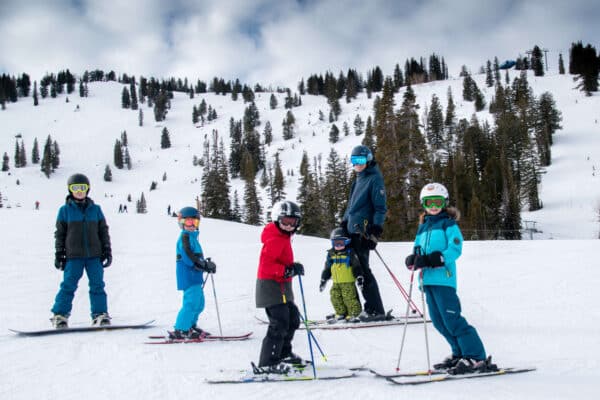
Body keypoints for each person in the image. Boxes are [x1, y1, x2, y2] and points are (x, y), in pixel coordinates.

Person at [404, 182, 497, 375]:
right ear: (423, 204)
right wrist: (413, 259)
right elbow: (417, 249)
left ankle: (475, 357)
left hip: (444, 280)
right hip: (427, 281)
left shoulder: (449, 224)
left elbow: (455, 248)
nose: (433, 205)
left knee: (452, 320)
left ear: (444, 202)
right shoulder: (423, 227)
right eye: (429, 202)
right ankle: (459, 353)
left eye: (437, 201)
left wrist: (438, 258)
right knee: (439, 322)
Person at [50, 173, 112, 328]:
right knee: (68, 285)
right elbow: (60, 234)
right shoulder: (64, 211)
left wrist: (106, 249)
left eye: (82, 188)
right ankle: (60, 315)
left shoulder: (96, 210)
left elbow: (103, 231)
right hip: (73, 256)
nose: (79, 191)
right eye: (75, 188)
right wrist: (59, 253)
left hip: (94, 256)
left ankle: (100, 314)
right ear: (70, 190)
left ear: (87, 189)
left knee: (97, 285)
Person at [255, 200, 304, 374]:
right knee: (279, 323)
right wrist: (287, 270)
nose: (289, 226)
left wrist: (291, 267)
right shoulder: (275, 239)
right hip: (271, 287)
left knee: (292, 319)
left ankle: (283, 353)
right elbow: (267, 265)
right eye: (285, 222)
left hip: (281, 287)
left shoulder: (283, 237)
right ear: (277, 220)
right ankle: (268, 362)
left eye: (293, 222)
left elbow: (280, 262)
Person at [340, 145, 388, 321]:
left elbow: (380, 208)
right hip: (352, 230)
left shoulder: (374, 179)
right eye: (354, 161)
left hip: (363, 232)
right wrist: (344, 223)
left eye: (360, 161)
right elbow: (351, 207)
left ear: (368, 160)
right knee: (352, 269)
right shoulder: (358, 180)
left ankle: (376, 309)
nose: (357, 165)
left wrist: (375, 231)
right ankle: (357, 308)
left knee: (364, 271)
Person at [169, 206, 216, 339]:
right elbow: (189, 256)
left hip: (195, 276)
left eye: (195, 222)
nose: (192, 225)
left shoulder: (192, 237)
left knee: (199, 303)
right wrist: (203, 264)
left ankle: (190, 324)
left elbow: (196, 257)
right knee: (191, 303)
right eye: (189, 222)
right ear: (182, 222)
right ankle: (181, 329)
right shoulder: (185, 237)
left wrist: (206, 266)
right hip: (188, 276)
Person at [319, 228, 364, 322]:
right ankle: (341, 313)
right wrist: (323, 279)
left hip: (348, 281)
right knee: (334, 296)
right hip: (336, 282)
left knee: (349, 298)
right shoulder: (331, 254)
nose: (338, 245)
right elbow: (327, 268)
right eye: (336, 243)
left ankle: (354, 313)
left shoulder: (350, 253)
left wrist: (359, 277)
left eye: (341, 243)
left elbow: (356, 266)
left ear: (346, 242)